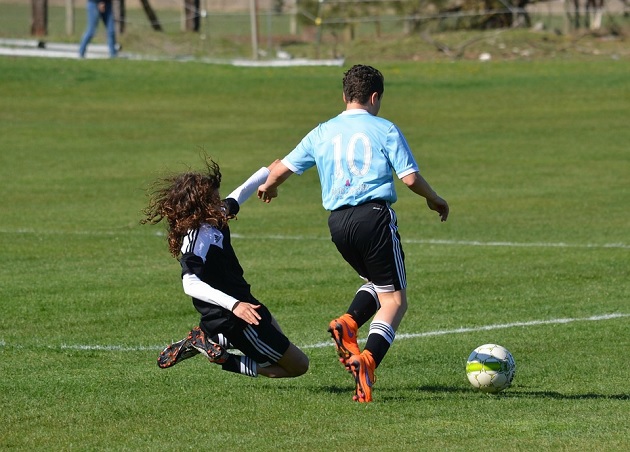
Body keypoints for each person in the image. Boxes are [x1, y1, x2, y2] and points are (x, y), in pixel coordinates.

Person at [257, 64, 449, 402]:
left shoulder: (322, 131)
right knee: (395, 300)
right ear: (375, 97)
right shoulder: (384, 129)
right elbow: (409, 178)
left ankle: (348, 322)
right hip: (373, 217)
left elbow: (281, 170)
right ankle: (368, 361)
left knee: (377, 283)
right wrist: (435, 199)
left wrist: (270, 187)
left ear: (345, 96)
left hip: (338, 224)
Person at [141, 157, 309, 379]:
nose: (219, 200)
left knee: (277, 334)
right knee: (298, 366)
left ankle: (206, 339)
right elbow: (190, 283)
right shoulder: (196, 236)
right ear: (200, 203)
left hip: (243, 301)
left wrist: (272, 170)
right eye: (213, 197)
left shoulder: (215, 214)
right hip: (232, 316)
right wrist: (235, 305)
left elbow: (240, 194)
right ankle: (224, 357)